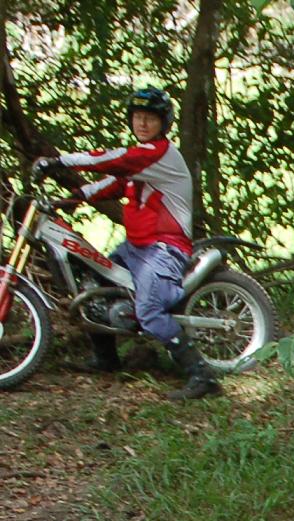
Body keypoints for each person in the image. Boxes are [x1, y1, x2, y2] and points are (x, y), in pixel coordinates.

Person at [32, 87, 218, 400]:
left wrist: (58, 162)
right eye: (138, 117)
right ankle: (106, 358)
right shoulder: (142, 162)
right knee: (94, 285)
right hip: (136, 248)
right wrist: (74, 198)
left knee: (149, 310)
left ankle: (203, 376)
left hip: (164, 248)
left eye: (150, 118)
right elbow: (115, 183)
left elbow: (113, 160)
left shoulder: (158, 154)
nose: (142, 123)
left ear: (163, 123)